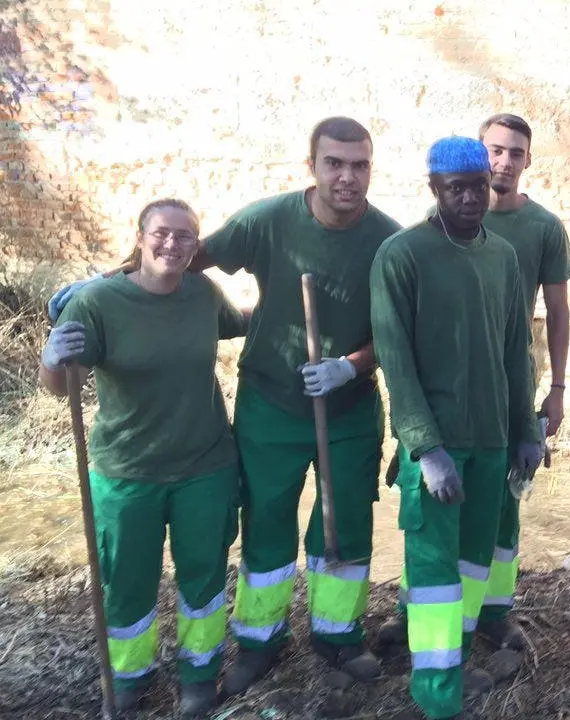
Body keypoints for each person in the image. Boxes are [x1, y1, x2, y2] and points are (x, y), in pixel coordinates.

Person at [48, 117, 403, 691]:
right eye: (334, 163)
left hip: (350, 409)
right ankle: (260, 640)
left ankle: (337, 634)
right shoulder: (267, 221)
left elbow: (396, 333)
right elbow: (183, 254)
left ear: (371, 168)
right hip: (269, 403)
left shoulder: (388, 239)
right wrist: (101, 282)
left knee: (347, 527)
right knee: (265, 523)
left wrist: (350, 366)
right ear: (311, 164)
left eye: (359, 165)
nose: (347, 176)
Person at [39, 200, 246, 717]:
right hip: (127, 471)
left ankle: (199, 676)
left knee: (203, 576)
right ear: (139, 237)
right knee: (128, 582)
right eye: (162, 233)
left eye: (185, 237)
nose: (172, 245)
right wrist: (50, 359)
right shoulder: (97, 303)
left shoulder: (203, 293)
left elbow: (239, 323)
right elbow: (61, 388)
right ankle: (129, 676)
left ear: (196, 247)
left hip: (205, 465)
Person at [370, 136, 543, 720]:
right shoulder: (403, 255)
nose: (471, 198)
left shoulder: (502, 257)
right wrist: (426, 447)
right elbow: (396, 360)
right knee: (436, 568)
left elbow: (515, 351)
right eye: (456, 188)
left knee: (473, 564)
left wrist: (527, 428)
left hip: (493, 441)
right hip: (438, 448)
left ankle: (455, 659)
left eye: (479, 186)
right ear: (434, 190)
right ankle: (437, 695)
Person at [475, 113, 570, 649]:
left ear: (528, 160)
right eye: (494, 150)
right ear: (479, 151)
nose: (503, 162)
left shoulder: (543, 227)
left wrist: (556, 389)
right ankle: (421, 605)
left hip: (517, 376)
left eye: (515, 153)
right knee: (442, 496)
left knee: (508, 488)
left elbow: (557, 310)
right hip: (459, 377)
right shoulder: (445, 217)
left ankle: (495, 608)